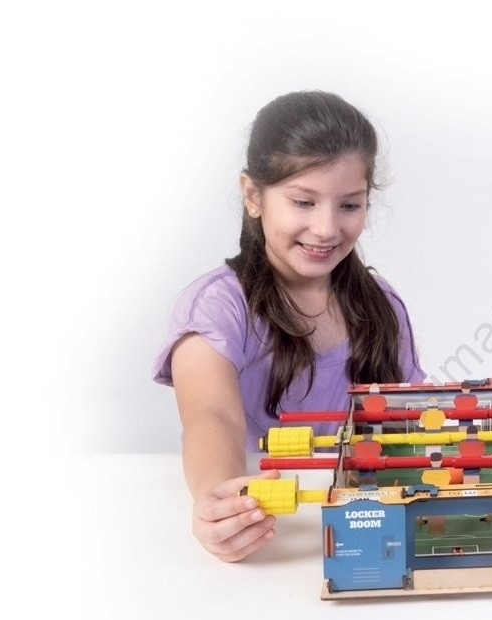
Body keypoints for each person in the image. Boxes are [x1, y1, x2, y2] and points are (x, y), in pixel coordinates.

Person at [152, 91, 425, 562]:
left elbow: (412, 421)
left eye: (349, 205)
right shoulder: (217, 307)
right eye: (303, 201)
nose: (326, 228)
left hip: (369, 531)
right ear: (253, 196)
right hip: (272, 535)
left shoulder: (382, 306)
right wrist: (220, 498)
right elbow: (212, 416)